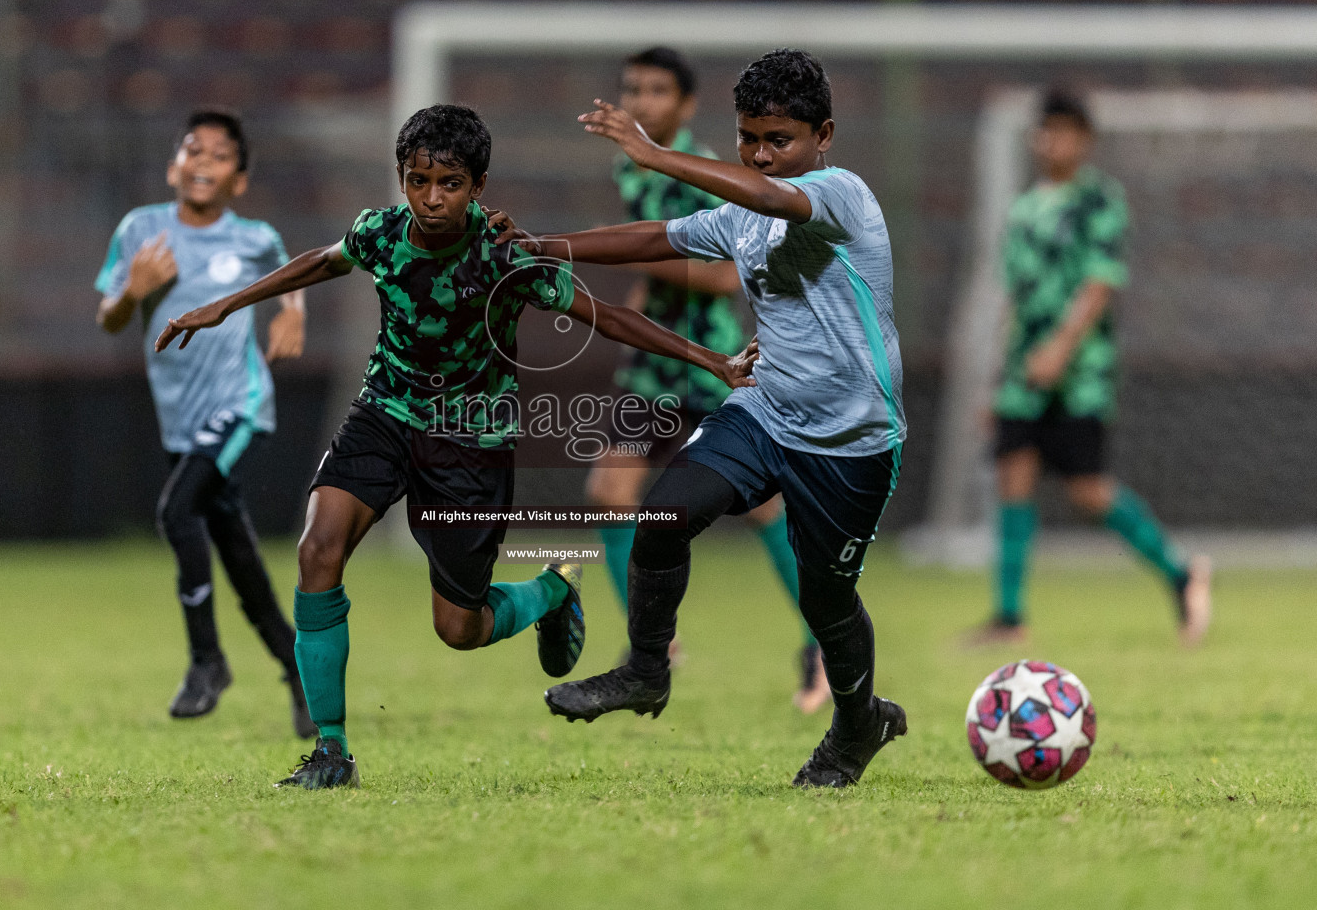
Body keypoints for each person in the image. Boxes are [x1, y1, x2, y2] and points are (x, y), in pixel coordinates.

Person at [155, 104, 759, 790]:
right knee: (318, 549)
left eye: (449, 184)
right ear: (402, 179)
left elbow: (606, 315)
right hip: (383, 415)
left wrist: (709, 359)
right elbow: (321, 261)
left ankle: (552, 591)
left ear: (478, 187)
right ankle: (331, 750)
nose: (431, 198)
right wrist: (226, 305)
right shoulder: (379, 234)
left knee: (459, 628)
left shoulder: (506, 254)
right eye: (418, 181)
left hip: (471, 440)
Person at [501, 49, 907, 789]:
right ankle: (647, 669)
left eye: (779, 140)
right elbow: (659, 238)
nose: (760, 155)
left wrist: (654, 155)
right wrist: (543, 247)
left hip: (853, 438)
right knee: (661, 516)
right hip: (765, 409)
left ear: (825, 136)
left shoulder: (841, 193)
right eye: (749, 138)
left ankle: (857, 725)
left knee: (828, 598)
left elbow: (773, 199)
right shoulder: (743, 215)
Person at [588, 46, 828, 714]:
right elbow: (666, 253)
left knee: (765, 511)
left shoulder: (702, 173)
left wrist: (626, 247)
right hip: (654, 367)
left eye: (658, 90)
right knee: (610, 491)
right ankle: (652, 646)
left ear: (687, 106)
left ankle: (822, 646)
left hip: (713, 362)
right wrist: (638, 295)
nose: (641, 101)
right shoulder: (628, 163)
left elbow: (722, 276)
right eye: (633, 87)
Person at [95, 108, 315, 738]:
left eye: (220, 156)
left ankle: (207, 662)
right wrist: (132, 293)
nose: (203, 162)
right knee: (237, 550)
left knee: (175, 512)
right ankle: (298, 667)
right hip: (178, 420)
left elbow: (291, 268)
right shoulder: (141, 230)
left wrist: (292, 311)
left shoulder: (254, 238)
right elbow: (110, 317)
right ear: (174, 166)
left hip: (238, 405)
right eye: (194, 150)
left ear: (238, 180)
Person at [970, 89, 1212, 647]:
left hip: (1081, 373)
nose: (1052, 141)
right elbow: (1013, 299)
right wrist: (995, 380)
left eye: (1064, 130)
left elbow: (1100, 283)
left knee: (1088, 490)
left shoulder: (1100, 200)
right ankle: (1010, 617)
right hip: (1021, 375)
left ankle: (1180, 574)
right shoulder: (1024, 208)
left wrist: (1061, 348)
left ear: (1085, 141)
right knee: (1013, 477)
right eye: (1045, 130)